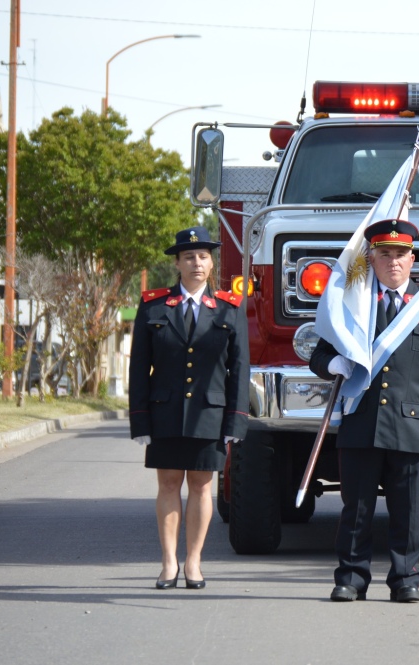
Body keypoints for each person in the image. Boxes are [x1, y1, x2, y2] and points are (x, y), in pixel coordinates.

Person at [309, 219, 419, 603]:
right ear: (370, 258)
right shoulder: (352, 306)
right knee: (356, 508)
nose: (393, 262)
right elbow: (319, 354)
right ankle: (351, 578)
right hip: (361, 419)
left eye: (400, 255)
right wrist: (334, 365)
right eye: (385, 254)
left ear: (412, 259)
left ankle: (406, 577)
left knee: (409, 511)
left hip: (411, 426)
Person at [128, 226, 250, 590]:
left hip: (209, 413)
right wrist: (140, 420)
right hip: (164, 410)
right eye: (188, 257)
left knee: (200, 486)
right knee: (168, 483)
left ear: (211, 264)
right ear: (177, 263)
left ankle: (194, 562)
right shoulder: (153, 305)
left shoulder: (228, 309)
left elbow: (239, 369)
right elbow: (138, 367)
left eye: (203, 256)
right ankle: (168, 563)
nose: (196, 263)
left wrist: (236, 420)